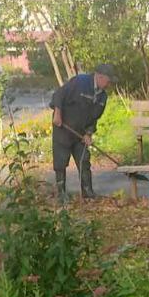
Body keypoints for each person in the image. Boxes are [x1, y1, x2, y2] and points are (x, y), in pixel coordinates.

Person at [50, 64, 117, 202]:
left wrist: (89, 133)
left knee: (84, 160)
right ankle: (61, 193)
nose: (109, 84)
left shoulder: (102, 97)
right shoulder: (80, 82)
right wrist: (57, 113)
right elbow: (59, 94)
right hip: (63, 127)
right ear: (100, 76)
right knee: (61, 161)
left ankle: (87, 191)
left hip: (80, 133)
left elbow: (95, 118)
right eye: (108, 81)